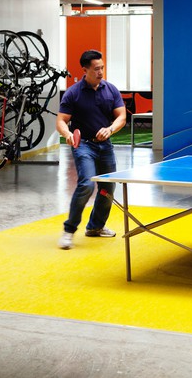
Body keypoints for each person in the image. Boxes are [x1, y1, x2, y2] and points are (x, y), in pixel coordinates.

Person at [56, 49, 126, 249]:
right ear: (85, 70)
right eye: (96, 69)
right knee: (86, 184)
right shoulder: (73, 93)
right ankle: (69, 231)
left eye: (102, 67)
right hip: (84, 145)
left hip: (105, 145)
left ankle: (95, 227)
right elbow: (61, 121)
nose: (100, 72)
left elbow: (121, 116)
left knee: (107, 187)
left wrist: (110, 129)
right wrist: (67, 134)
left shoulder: (110, 90)